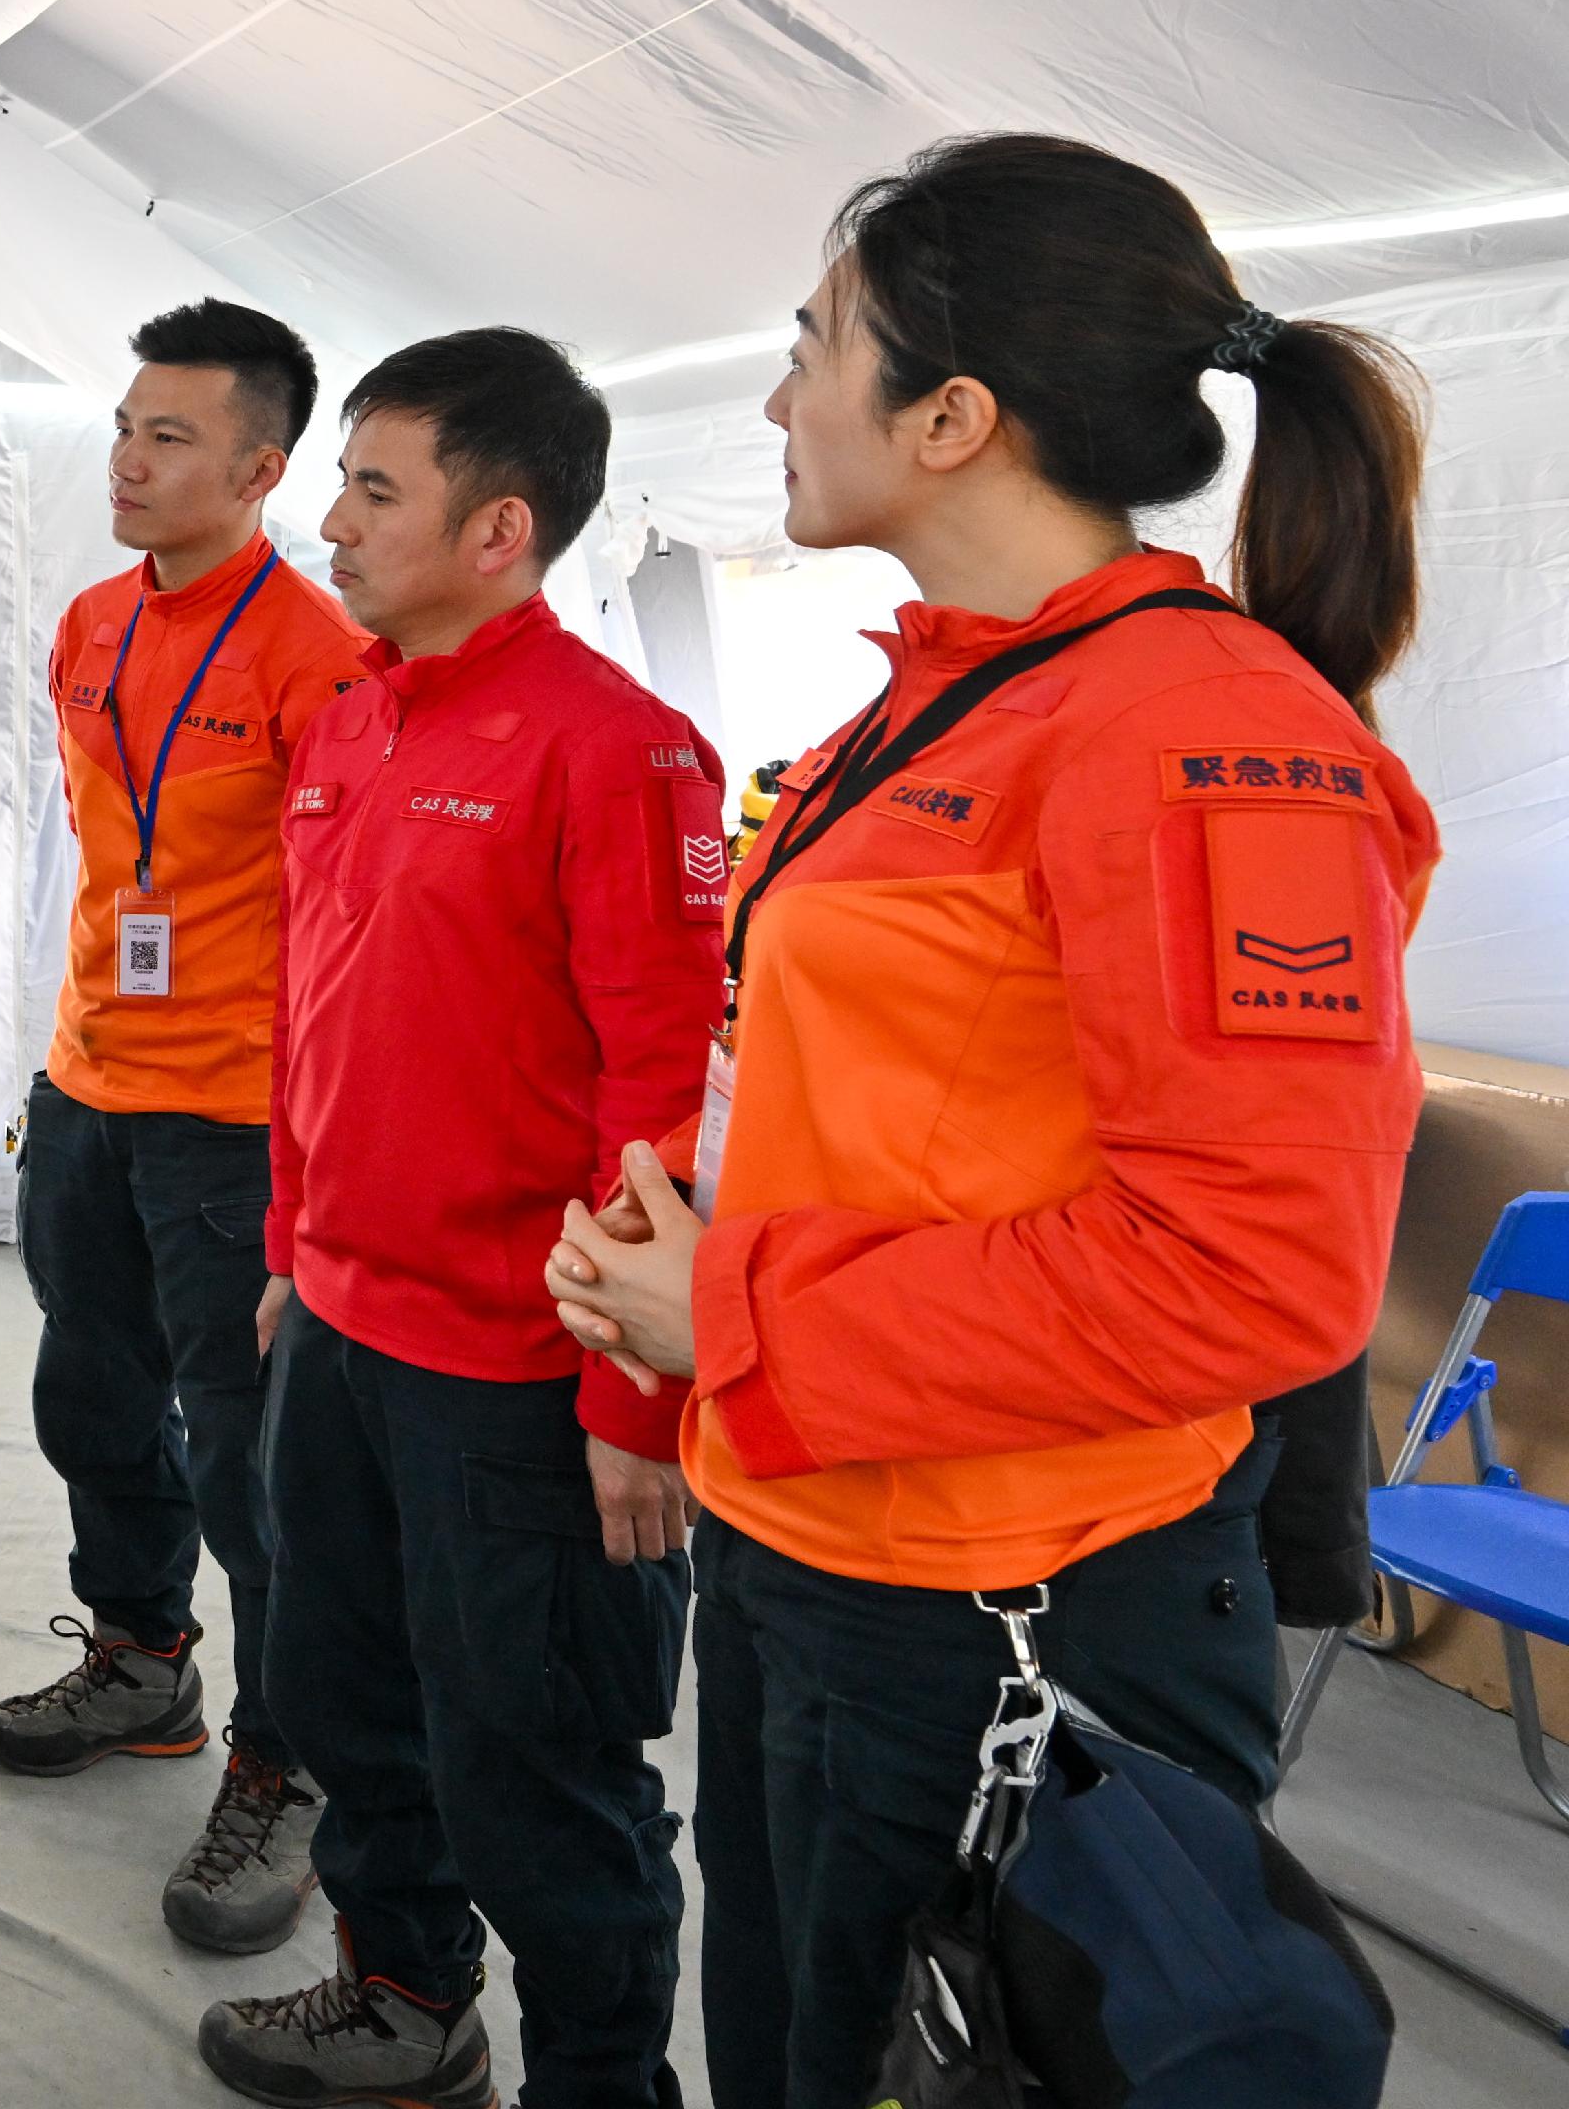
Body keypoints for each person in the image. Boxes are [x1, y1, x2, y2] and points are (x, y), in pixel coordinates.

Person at [547, 134, 1442, 2109]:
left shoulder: (1196, 745)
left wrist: (742, 1315)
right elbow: (927, 1106)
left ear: (949, 417)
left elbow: (1255, 1275)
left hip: (1009, 1628)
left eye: (811, 346)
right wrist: (686, 1234)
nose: (777, 396)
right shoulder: (935, 704)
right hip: (810, 1554)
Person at [201, 331, 720, 2108]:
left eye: (372, 487)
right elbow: (310, 1019)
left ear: (499, 528)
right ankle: (409, 2000)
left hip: (516, 1365)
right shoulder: (350, 719)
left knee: (542, 1766)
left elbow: (652, 1114)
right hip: (342, 1335)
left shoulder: (619, 752)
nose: (328, 519)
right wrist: (289, 1253)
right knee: (346, 1705)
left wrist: (636, 1406)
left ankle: (600, 2083)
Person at [0, 300, 372, 1959]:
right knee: (92, 1389)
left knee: (253, 1459)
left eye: (170, 438)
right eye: (125, 428)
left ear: (263, 468)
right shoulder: (84, 624)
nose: (128, 462)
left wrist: (323, 1156)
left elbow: (354, 923)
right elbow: (107, 860)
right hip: (89, 1088)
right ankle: (143, 1662)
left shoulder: (323, 656)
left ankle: (288, 1760)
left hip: (239, 1118)